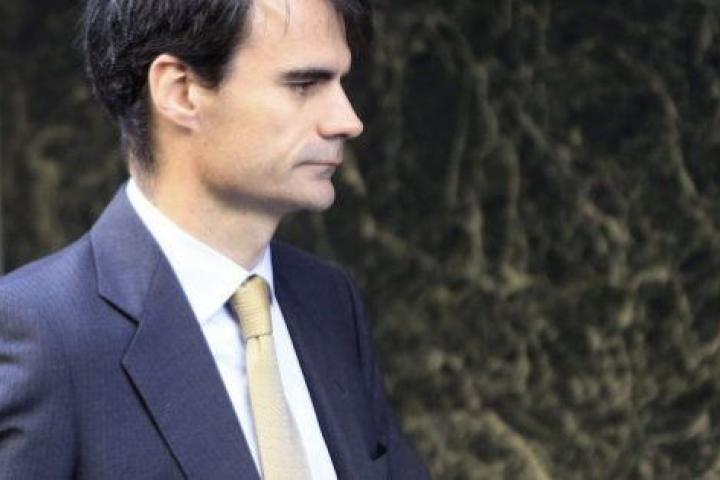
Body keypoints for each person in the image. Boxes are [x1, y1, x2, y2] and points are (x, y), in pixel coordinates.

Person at [0, 0, 430, 478]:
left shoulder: (329, 300)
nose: (347, 120)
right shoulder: (42, 334)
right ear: (180, 91)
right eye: (304, 84)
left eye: (340, 82)